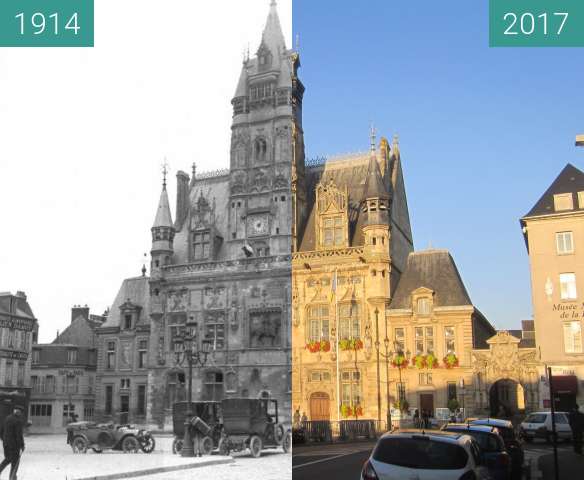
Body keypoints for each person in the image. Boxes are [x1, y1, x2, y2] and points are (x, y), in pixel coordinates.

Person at [0, 406, 25, 480]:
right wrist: (22, 445)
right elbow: (18, 435)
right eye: (20, 412)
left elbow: (1, 431)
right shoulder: (18, 421)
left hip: (6, 444)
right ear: (18, 412)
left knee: (8, 459)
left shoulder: (7, 418)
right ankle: (12, 477)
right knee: (15, 462)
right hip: (14, 445)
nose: (21, 414)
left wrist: (4, 440)